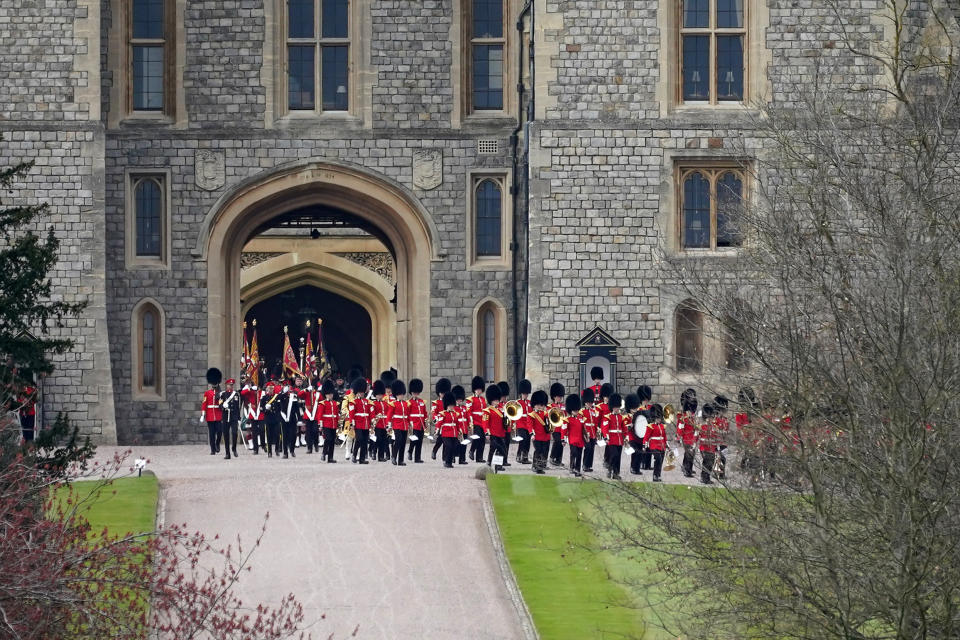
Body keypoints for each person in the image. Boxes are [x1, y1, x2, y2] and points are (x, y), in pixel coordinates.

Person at [601, 393, 627, 480]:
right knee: (614, 455)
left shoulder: (621, 417)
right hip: (611, 439)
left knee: (618, 456)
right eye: (616, 407)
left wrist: (626, 437)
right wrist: (606, 437)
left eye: (618, 407)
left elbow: (624, 428)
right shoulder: (607, 417)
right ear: (612, 407)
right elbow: (605, 428)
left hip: (619, 440)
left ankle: (616, 473)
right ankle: (610, 469)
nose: (617, 409)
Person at [482, 384, 507, 471]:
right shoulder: (487, 411)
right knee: (495, 448)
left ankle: (497, 465)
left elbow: (505, 422)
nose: (497, 402)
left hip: (500, 433)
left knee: (499, 450)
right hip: (492, 433)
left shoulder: (502, 410)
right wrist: (487, 433)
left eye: (497, 400)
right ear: (491, 401)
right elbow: (485, 423)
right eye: (495, 400)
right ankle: (489, 462)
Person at [348, 377, 372, 464]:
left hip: (366, 424)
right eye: (360, 392)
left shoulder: (367, 402)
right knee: (359, 439)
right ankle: (354, 454)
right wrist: (352, 423)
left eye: (362, 392)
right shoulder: (353, 402)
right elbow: (351, 414)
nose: (361, 394)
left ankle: (362, 459)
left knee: (364, 441)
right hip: (358, 423)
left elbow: (370, 413)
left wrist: (372, 422)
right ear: (357, 393)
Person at [643, 403, 668, 482]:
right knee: (658, 459)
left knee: (661, 461)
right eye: (657, 418)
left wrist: (666, 445)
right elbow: (646, 437)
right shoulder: (650, 426)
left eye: (660, 418)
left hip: (662, 445)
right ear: (654, 418)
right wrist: (644, 445)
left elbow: (664, 436)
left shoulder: (662, 426)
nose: (659, 419)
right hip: (653, 445)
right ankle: (654, 475)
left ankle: (658, 475)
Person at [388, 379, 409, 466]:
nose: (401, 395)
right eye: (399, 394)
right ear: (396, 395)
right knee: (398, 440)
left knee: (403, 442)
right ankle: (393, 456)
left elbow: (408, 414)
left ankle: (400, 460)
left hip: (404, 425)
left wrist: (410, 423)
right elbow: (389, 415)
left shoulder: (406, 403)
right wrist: (389, 425)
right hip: (397, 424)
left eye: (402, 394)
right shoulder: (393, 404)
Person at [677, 393, 698, 478]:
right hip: (686, 439)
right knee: (689, 453)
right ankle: (687, 471)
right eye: (689, 411)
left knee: (690, 454)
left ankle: (687, 468)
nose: (691, 413)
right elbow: (680, 429)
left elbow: (696, 428)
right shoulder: (683, 419)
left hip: (692, 439)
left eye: (692, 411)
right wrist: (679, 437)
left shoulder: (693, 418)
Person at [241, 380, 265, 454]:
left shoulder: (262, 392)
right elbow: (242, 393)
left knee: (261, 430)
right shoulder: (250, 392)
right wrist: (249, 388)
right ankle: (255, 449)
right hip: (252, 414)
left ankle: (263, 444)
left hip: (260, 414)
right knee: (254, 432)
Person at [529, 390, 550, 474]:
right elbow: (529, 425)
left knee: (544, 451)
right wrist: (531, 434)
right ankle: (535, 465)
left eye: (541, 405)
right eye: (537, 405)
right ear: (534, 405)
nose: (539, 406)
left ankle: (540, 467)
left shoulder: (546, 414)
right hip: (537, 436)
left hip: (545, 436)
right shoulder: (532, 415)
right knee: (538, 450)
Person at [430, 378, 452, 460]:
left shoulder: (448, 402)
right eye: (442, 393)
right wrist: (436, 419)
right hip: (440, 423)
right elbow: (433, 412)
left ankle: (444, 458)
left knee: (446, 442)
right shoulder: (435, 403)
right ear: (439, 393)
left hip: (447, 424)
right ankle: (434, 451)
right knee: (440, 440)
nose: (443, 394)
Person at [219, 378, 241, 459]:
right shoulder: (223, 394)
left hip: (234, 417)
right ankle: (227, 453)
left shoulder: (236, 394)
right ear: (226, 385)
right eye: (229, 385)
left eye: (232, 385)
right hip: (225, 417)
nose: (230, 386)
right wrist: (223, 407)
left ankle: (234, 448)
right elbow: (219, 405)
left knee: (235, 433)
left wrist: (239, 418)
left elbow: (237, 407)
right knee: (226, 435)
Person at [318, 379, 339, 463]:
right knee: (328, 439)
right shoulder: (323, 403)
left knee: (332, 441)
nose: (330, 395)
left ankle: (330, 457)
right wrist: (320, 424)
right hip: (326, 423)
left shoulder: (335, 403)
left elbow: (337, 414)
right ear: (325, 395)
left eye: (331, 394)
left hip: (333, 424)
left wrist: (338, 424)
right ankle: (324, 452)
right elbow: (320, 415)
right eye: (329, 394)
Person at [407, 378, 427, 463]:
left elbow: (424, 413)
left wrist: (425, 422)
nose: (416, 394)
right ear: (412, 393)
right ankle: (410, 451)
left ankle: (417, 458)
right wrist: (409, 423)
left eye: (417, 392)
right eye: (414, 392)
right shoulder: (409, 402)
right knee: (414, 440)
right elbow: (408, 413)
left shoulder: (422, 402)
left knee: (419, 441)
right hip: (413, 423)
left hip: (421, 424)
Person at [437, 392, 459, 468]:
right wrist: (437, 431)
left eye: (452, 405)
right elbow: (439, 423)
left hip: (454, 433)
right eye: (450, 405)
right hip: (446, 433)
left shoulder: (455, 414)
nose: (451, 407)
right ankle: (446, 461)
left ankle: (449, 462)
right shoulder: (443, 413)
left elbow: (457, 424)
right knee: (448, 446)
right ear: (447, 405)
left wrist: (459, 431)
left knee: (453, 447)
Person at [200, 380, 223, 456]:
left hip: (218, 415)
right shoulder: (207, 393)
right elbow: (204, 403)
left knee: (219, 431)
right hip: (210, 415)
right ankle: (213, 450)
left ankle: (217, 443)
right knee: (212, 434)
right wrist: (203, 414)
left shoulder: (220, 393)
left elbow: (221, 403)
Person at [565, 394, 585, 476]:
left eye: (577, 410)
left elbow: (584, 429)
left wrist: (586, 436)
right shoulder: (568, 419)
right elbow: (564, 429)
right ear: (571, 410)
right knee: (574, 453)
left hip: (580, 440)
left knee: (579, 455)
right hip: (572, 439)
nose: (576, 412)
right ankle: (572, 467)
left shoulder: (581, 419)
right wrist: (563, 439)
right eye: (574, 410)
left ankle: (577, 469)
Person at [468, 376, 487, 463]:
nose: (479, 391)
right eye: (477, 389)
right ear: (474, 390)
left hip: (482, 421)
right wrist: (471, 422)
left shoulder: (483, 400)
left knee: (482, 439)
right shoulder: (470, 399)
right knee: (477, 436)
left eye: (480, 389)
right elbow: (469, 412)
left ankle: (479, 457)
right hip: (475, 421)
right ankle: (471, 450)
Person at [261, 382, 282, 458]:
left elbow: (280, 407)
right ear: (267, 389)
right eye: (269, 388)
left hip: (276, 418)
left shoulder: (277, 397)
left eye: (272, 388)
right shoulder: (264, 398)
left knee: (277, 435)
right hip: (268, 419)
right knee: (269, 436)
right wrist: (265, 409)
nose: (271, 390)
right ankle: (269, 451)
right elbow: (261, 409)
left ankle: (277, 449)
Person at [699, 403, 718, 484]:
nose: (710, 419)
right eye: (709, 417)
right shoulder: (702, 426)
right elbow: (698, 437)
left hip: (712, 448)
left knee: (711, 463)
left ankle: (707, 477)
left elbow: (715, 438)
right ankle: (704, 477)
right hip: (704, 447)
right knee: (706, 463)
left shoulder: (714, 427)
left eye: (711, 417)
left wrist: (717, 447)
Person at [514, 379, 533, 464]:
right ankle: (518, 455)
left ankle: (525, 457)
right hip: (520, 423)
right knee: (523, 439)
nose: (526, 395)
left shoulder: (530, 402)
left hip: (528, 424)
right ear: (521, 393)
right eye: (524, 394)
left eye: (527, 394)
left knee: (528, 440)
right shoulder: (517, 402)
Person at [580, 388, 599, 472]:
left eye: (591, 402)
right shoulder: (582, 411)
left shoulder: (593, 411)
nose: (590, 404)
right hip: (585, 433)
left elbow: (595, 423)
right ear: (585, 402)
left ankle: (588, 465)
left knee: (592, 449)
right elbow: (581, 424)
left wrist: (596, 434)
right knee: (587, 448)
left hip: (592, 433)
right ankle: (584, 465)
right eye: (588, 402)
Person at [371, 380, 389, 462]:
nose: (380, 396)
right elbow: (372, 414)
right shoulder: (373, 403)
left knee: (383, 440)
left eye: (381, 394)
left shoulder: (385, 403)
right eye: (378, 395)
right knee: (377, 439)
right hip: (377, 424)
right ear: (375, 395)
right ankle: (374, 452)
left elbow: (388, 413)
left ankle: (381, 456)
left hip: (384, 423)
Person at [301, 379, 322, 454]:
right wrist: (306, 390)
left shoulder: (318, 394)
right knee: (308, 432)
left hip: (316, 415)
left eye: (313, 387)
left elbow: (322, 403)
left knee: (315, 431)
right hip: (308, 415)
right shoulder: (307, 393)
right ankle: (309, 448)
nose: (312, 388)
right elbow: (299, 395)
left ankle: (316, 443)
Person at [548, 382, 566, 466]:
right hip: (555, 427)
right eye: (559, 397)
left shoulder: (563, 406)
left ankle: (558, 459)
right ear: (554, 396)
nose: (560, 398)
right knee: (557, 441)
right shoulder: (550, 406)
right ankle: (552, 457)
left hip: (562, 427)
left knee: (562, 442)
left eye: (561, 397)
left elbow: (565, 416)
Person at [636, 385, 653, 470]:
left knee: (649, 447)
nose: (646, 401)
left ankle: (648, 464)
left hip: (649, 430)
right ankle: (642, 463)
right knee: (643, 447)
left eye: (647, 400)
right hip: (642, 430)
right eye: (644, 400)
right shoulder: (638, 409)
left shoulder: (650, 408)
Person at [497, 381, 513, 466]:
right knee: (500, 446)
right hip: (500, 429)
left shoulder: (508, 405)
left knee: (507, 444)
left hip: (507, 428)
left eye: (505, 396)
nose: (504, 398)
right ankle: (499, 462)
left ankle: (505, 460)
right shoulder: (497, 405)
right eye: (503, 396)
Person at [453, 385, 469, 465]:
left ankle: (462, 459)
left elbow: (467, 417)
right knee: (455, 444)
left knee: (464, 444)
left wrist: (469, 426)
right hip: (457, 429)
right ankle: (452, 457)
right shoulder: (453, 408)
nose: (459, 401)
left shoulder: (464, 408)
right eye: (458, 400)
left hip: (464, 428)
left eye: (460, 400)